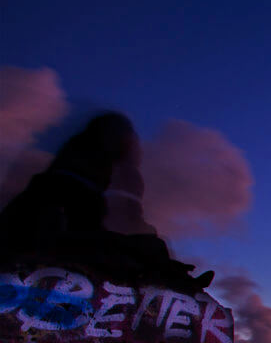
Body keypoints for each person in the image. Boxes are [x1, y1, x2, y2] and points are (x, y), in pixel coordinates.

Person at [0, 112, 213, 292]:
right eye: (126, 143)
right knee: (146, 249)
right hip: (45, 241)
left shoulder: (74, 172)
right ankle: (175, 282)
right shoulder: (75, 177)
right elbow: (81, 224)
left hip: (51, 237)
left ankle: (174, 278)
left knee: (147, 248)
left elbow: (87, 223)